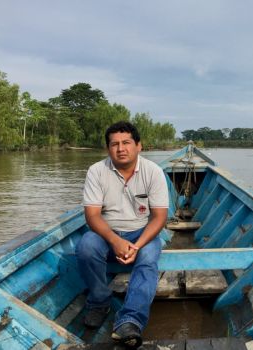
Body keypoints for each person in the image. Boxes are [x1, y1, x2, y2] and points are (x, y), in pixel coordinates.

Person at [76, 121, 168, 348]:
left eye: (126, 142)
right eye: (114, 144)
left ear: (139, 146)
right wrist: (115, 241)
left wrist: (136, 246)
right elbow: (93, 216)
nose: (121, 148)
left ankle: (131, 320)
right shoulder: (97, 171)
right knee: (86, 247)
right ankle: (99, 302)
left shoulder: (153, 172)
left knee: (148, 258)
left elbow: (159, 218)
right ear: (108, 149)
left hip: (142, 233)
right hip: (107, 233)